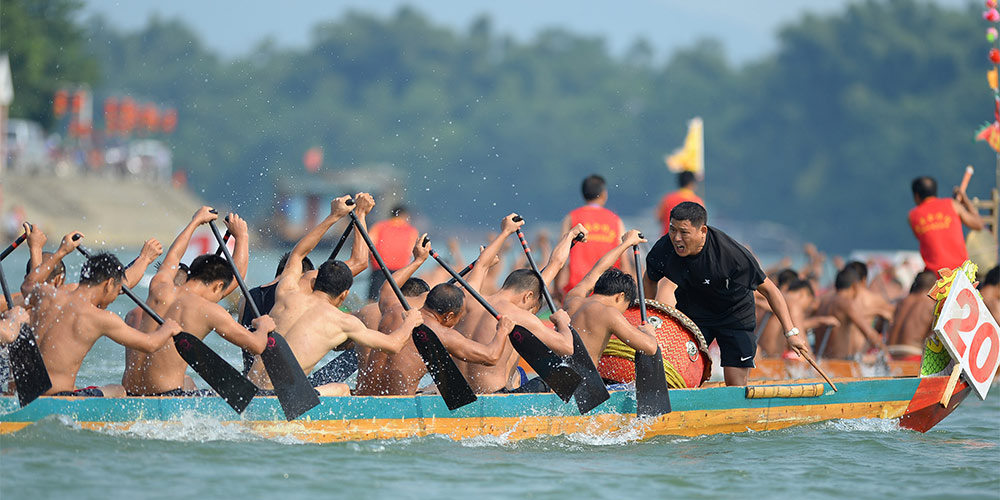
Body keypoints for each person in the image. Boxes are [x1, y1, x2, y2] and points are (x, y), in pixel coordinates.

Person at [248, 195, 423, 396]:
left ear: (314, 282)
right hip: (283, 401)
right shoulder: (342, 322)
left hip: (251, 389)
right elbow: (393, 345)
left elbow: (297, 253)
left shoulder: (287, 292)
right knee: (342, 388)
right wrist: (410, 321)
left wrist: (333, 216)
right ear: (344, 295)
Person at [643, 202, 810, 386]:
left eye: (684, 232)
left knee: (735, 383)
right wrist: (648, 319)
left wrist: (791, 333)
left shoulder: (730, 254)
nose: (676, 238)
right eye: (672, 230)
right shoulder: (664, 248)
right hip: (694, 314)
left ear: (703, 231)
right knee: (679, 373)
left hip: (734, 316)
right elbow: (650, 279)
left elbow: (771, 291)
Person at [122, 207, 275, 396]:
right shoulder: (208, 310)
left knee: (188, 380)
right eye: (222, 291)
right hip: (167, 398)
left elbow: (174, 256)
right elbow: (257, 345)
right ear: (218, 285)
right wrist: (263, 326)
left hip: (129, 393)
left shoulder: (159, 285)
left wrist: (195, 221)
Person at [20, 232, 181, 396]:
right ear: (109, 283)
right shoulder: (100, 318)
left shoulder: (50, 294)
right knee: (118, 391)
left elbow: (28, 284)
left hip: (23, 395)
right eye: (117, 290)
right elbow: (150, 344)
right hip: (57, 400)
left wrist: (62, 251)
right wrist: (168, 328)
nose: (114, 298)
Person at [357, 238, 513, 395]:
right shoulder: (441, 334)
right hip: (399, 408)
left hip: (364, 400)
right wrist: (503, 330)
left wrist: (417, 260)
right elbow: (491, 356)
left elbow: (388, 287)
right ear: (448, 316)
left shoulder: (393, 309)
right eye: (458, 318)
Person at [456, 215, 578, 393]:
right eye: (531, 306)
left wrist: (505, 231)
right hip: (495, 400)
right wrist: (562, 322)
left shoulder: (468, 298)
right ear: (528, 296)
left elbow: (481, 265)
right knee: (554, 380)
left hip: (461, 396)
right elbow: (567, 347)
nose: (530, 311)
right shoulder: (519, 316)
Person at [562, 230, 659, 365]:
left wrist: (625, 244)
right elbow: (650, 348)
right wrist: (649, 333)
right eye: (624, 308)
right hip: (583, 383)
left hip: (557, 376)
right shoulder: (609, 313)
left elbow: (597, 270)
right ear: (621, 296)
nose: (622, 313)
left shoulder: (573, 298)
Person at [557, 174, 632, 297]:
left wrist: (556, 288)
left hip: (577, 288)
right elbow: (624, 260)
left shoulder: (571, 217)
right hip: (609, 290)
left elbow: (561, 256)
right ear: (603, 194)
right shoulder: (615, 220)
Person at [908, 176, 984, 275]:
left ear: (916, 196)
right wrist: (965, 200)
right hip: (961, 272)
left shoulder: (913, 216)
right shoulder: (952, 204)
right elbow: (979, 224)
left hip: (935, 276)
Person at [814, 268, 887, 359]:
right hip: (839, 364)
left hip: (820, 362)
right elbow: (871, 335)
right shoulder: (847, 303)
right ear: (855, 286)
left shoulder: (823, 301)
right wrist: (887, 355)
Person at [757, 279, 838, 358]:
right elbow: (800, 337)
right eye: (809, 302)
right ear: (803, 293)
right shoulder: (793, 304)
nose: (806, 309)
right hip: (771, 360)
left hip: (759, 356)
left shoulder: (772, 299)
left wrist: (819, 321)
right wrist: (811, 358)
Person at [367, 204, 419, 301]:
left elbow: (369, 246)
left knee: (372, 299)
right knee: (397, 300)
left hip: (380, 268)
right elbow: (413, 252)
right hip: (401, 271)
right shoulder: (411, 230)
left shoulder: (379, 226)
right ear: (405, 216)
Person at [886, 271, 938, 361]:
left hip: (890, 353)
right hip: (911, 354)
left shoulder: (902, 301)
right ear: (934, 286)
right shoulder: (931, 306)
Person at [657, 171, 704, 236]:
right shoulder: (697, 201)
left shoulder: (667, 199)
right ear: (692, 183)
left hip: (667, 238)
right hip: (688, 242)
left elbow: (659, 217)